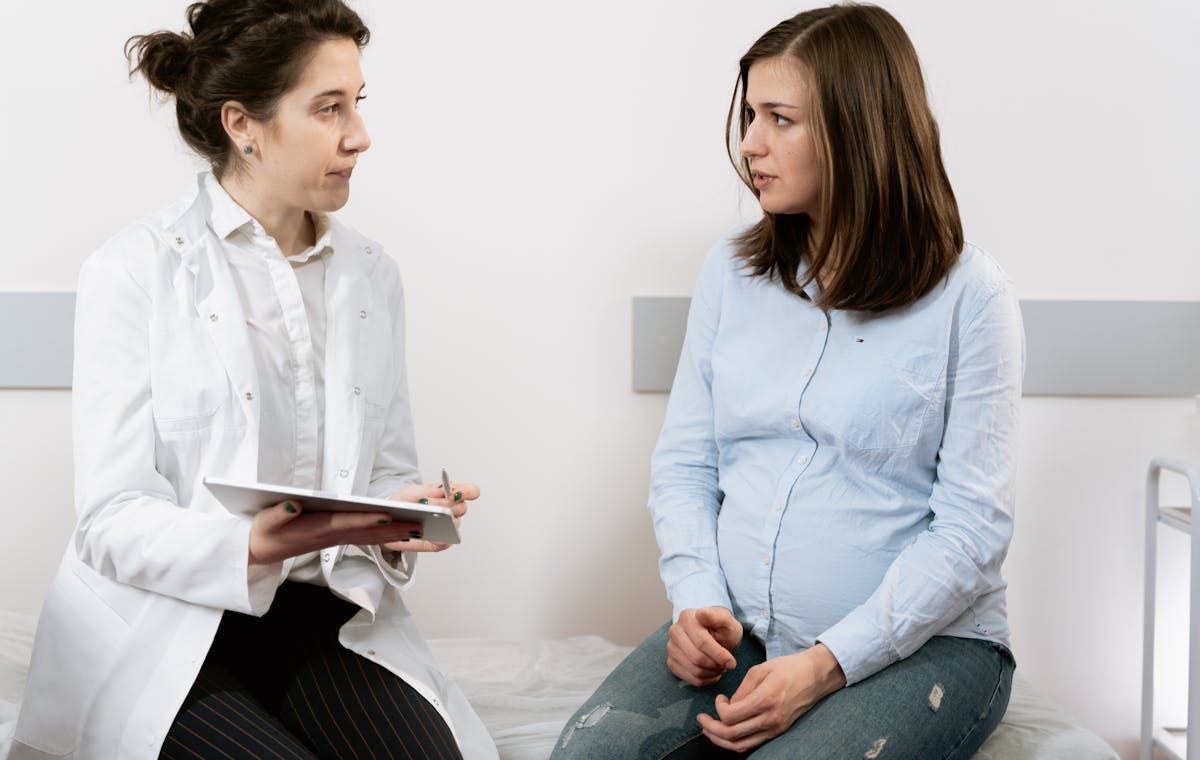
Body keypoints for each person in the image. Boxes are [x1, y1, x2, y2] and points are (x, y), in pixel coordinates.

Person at [4, 1, 497, 758]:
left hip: (315, 615)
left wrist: (402, 511)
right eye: (328, 108)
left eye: (357, 103)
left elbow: (390, 463)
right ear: (243, 124)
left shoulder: (371, 276)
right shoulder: (135, 271)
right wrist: (250, 544)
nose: (359, 136)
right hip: (170, 624)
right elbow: (110, 518)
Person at [554, 4, 1023, 759]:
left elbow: (972, 534)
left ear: (858, 129)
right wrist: (698, 600)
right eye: (749, 115)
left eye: (779, 118)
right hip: (746, 629)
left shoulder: (973, 298)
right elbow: (686, 464)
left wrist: (826, 665)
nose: (750, 144)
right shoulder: (731, 274)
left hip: (930, 648)